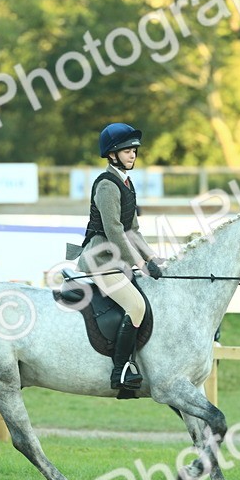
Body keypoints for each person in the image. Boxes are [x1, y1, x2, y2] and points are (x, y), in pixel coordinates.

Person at [75, 122, 163, 391]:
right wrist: (139, 263)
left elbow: (132, 230)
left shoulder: (127, 183)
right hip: (100, 260)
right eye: (127, 151)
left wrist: (153, 258)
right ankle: (120, 370)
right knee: (136, 306)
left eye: (134, 150)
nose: (133, 154)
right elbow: (114, 230)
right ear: (112, 154)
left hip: (116, 260)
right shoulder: (107, 185)